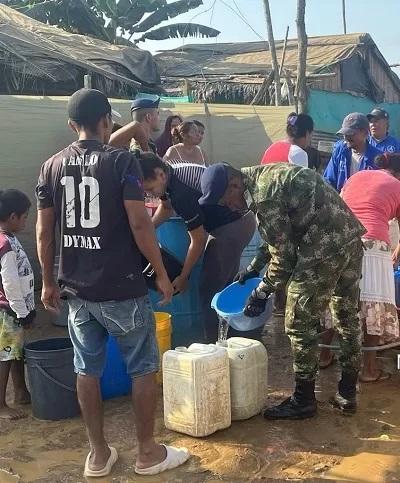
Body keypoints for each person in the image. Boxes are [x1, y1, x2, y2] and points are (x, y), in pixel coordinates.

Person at [36, 88, 189, 478]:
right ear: (107, 120)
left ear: (72, 125)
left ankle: (98, 455)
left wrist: (48, 281)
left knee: (86, 369)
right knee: (141, 368)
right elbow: (140, 223)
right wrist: (160, 271)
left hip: (76, 292)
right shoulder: (120, 162)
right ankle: (147, 453)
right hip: (121, 287)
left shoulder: (51, 165)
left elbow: (43, 232)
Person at [199, 162, 365, 419]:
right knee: (346, 316)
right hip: (349, 239)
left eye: (226, 201)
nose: (229, 207)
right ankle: (347, 394)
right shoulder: (266, 178)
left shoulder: (264, 197)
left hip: (322, 249)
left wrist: (261, 292)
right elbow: (279, 237)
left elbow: (284, 258)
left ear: (234, 184)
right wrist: (254, 269)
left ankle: (303, 400)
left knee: (299, 322)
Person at [137, 154, 256, 343]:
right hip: (232, 223)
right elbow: (166, 208)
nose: (150, 194)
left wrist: (183, 277)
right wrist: (148, 230)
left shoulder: (180, 192)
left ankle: (215, 345)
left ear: (160, 175)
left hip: (233, 226)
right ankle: (233, 339)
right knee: (222, 284)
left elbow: (198, 240)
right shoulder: (169, 178)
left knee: (210, 290)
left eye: (150, 189)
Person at [341, 153, 400, 382]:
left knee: (339, 300)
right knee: (373, 304)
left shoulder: (357, 177)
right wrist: (395, 254)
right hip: (374, 244)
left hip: (342, 241)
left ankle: (325, 355)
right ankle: (369, 370)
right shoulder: (396, 185)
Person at [0, 189, 35, 420]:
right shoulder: (6, 244)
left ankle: (21, 391)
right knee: (6, 355)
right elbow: (10, 282)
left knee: (16, 351)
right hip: (9, 309)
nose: (25, 221)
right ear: (13, 217)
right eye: (24, 217)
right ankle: (0, 405)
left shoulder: (8, 238)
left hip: (14, 308)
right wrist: (22, 312)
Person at [324, 112, 380, 192]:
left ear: (365, 133)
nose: (346, 138)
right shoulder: (340, 150)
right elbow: (329, 180)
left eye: (350, 134)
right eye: (344, 134)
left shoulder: (377, 157)